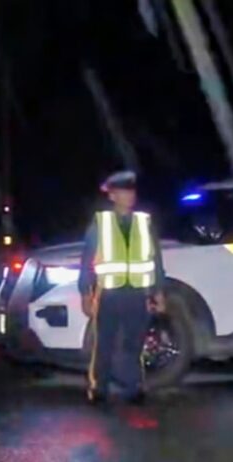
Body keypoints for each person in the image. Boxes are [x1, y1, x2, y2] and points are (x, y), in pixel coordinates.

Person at [78, 170, 165, 405]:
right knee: (104, 343)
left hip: (137, 293)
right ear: (113, 196)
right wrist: (85, 292)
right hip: (109, 293)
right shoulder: (101, 224)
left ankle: (133, 387)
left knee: (134, 343)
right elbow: (87, 260)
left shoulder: (143, 222)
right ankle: (99, 388)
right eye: (123, 192)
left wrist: (158, 291)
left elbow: (155, 259)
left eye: (131, 191)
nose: (129, 196)